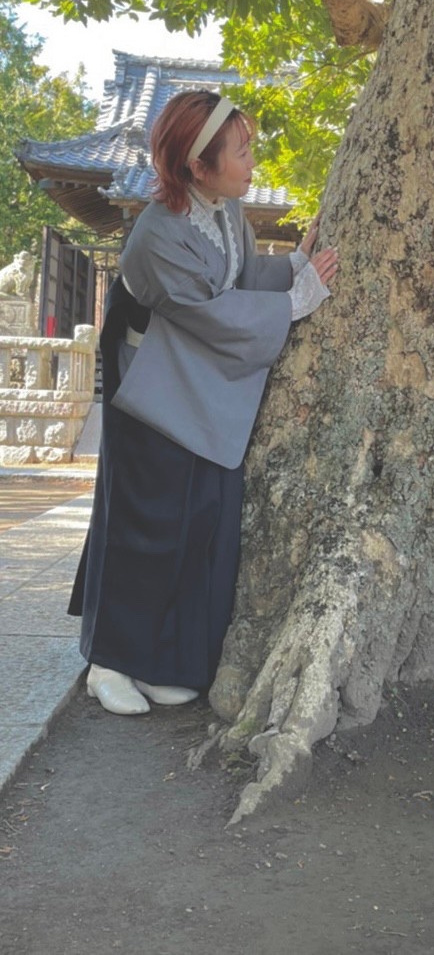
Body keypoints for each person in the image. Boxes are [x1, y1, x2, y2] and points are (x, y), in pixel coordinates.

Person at [69, 90, 339, 716]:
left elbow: (240, 280)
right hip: (152, 396)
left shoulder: (224, 214)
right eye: (241, 152)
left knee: (199, 525)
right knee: (145, 528)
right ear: (197, 165)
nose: (252, 163)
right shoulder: (158, 233)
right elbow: (209, 312)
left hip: (191, 383)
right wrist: (295, 303)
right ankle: (109, 661)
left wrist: (297, 264)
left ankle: (161, 659)